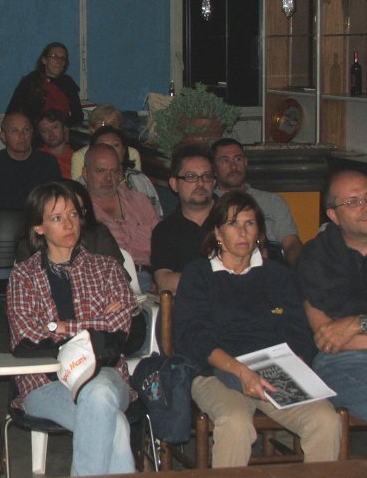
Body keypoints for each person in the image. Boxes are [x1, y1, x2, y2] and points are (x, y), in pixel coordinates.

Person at [173, 191, 341, 468]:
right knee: (236, 422)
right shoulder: (199, 274)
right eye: (233, 224)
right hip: (218, 370)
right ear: (217, 232)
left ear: (259, 232)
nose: (242, 232)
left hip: (272, 371)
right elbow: (193, 337)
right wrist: (241, 371)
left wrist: (293, 364)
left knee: (325, 420)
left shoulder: (276, 274)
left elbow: (299, 330)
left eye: (249, 224)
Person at [7, 181, 138, 476]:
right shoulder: (23, 275)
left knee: (98, 392)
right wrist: (94, 327)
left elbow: (120, 327)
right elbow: (27, 337)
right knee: (115, 424)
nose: (69, 224)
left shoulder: (107, 268)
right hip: (44, 383)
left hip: (106, 374)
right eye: (57, 218)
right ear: (39, 227)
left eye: (73, 215)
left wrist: (57, 327)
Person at [296, 169, 367, 421]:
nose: (365, 207)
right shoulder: (316, 257)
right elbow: (328, 338)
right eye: (353, 202)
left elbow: (344, 332)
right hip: (344, 361)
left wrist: (356, 323)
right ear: (333, 215)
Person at [211, 138, 302, 266]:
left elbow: (291, 243)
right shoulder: (210, 202)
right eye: (225, 161)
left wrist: (301, 267)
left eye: (238, 159)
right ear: (214, 168)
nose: (233, 166)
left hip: (272, 261)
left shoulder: (272, 201)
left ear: (246, 162)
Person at [84, 144, 158, 293]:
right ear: (85, 174)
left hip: (149, 280)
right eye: (100, 171)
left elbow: (161, 245)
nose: (108, 178)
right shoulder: (78, 211)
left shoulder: (140, 202)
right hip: (105, 284)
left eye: (114, 171)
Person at [151, 146, 215, 293]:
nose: (200, 183)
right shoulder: (165, 230)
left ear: (214, 182)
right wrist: (216, 279)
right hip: (189, 303)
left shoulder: (234, 219)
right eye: (191, 177)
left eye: (207, 176)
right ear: (174, 184)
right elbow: (164, 282)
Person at [0, 111, 61, 210]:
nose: (22, 136)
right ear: (3, 136)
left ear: (32, 133)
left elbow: (55, 202)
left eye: (26, 130)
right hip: (4, 218)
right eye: (14, 131)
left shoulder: (47, 163)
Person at [90, 126, 162, 219]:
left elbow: (157, 216)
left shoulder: (139, 179)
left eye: (116, 145)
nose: (111, 151)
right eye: (103, 146)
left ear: (124, 150)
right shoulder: (86, 181)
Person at [6, 42, 83, 128]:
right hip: (34, 132)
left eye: (63, 58)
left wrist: (61, 127)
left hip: (61, 132)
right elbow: (12, 112)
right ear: (44, 60)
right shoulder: (30, 81)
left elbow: (78, 115)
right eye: (54, 57)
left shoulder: (68, 83)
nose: (59, 61)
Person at [71, 104, 141, 180]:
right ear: (92, 129)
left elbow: (137, 182)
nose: (108, 127)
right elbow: (78, 185)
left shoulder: (132, 153)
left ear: (120, 128)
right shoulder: (80, 156)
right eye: (103, 123)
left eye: (112, 124)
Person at [37, 108, 74, 179]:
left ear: (64, 128)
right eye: (44, 131)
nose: (51, 134)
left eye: (54, 127)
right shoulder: (36, 157)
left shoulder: (77, 157)